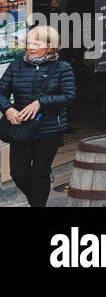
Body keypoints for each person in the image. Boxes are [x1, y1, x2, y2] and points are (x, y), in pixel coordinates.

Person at [0, 26, 76, 207]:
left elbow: (69, 96)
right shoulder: (16, 66)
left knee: (39, 173)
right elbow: (1, 92)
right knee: (18, 173)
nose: (30, 47)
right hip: (21, 128)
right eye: (28, 43)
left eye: (36, 43)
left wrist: (40, 102)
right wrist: (8, 109)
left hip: (48, 128)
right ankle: (36, 201)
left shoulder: (62, 68)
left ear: (50, 46)